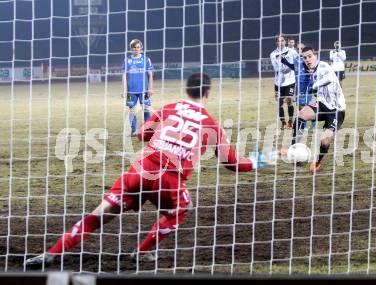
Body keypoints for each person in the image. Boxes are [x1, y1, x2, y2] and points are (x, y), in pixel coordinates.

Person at [25, 73, 266, 269]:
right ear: (208, 93)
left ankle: (51, 253)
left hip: (141, 170)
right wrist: (257, 161)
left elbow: (141, 134)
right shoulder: (211, 123)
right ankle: (141, 252)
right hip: (170, 181)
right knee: (179, 210)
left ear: (187, 90)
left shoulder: (168, 108)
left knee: (99, 214)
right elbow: (233, 163)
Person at [289, 47, 346, 173]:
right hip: (322, 105)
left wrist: (314, 86)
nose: (307, 59)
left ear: (315, 56)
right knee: (302, 114)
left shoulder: (323, 66)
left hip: (337, 110)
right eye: (305, 58)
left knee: (324, 141)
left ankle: (317, 162)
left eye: (310, 56)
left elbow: (329, 79)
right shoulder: (310, 72)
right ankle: (294, 148)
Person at [121, 39, 154, 136]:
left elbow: (150, 75)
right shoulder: (127, 60)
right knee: (132, 110)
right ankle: (133, 130)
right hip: (131, 91)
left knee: (146, 109)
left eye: (138, 47)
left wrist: (150, 88)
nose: (136, 49)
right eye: (134, 47)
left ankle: (148, 130)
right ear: (131, 49)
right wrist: (123, 90)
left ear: (141, 48)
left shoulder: (146, 59)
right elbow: (123, 76)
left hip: (144, 90)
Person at [269, 35, 296, 129]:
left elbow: (296, 64)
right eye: (278, 41)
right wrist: (285, 65)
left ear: (286, 41)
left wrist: (287, 64)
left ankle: (290, 122)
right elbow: (276, 68)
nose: (280, 42)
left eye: (282, 40)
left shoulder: (292, 51)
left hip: (290, 81)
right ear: (276, 42)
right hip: (278, 83)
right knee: (279, 103)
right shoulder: (273, 54)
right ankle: (283, 122)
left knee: (289, 100)